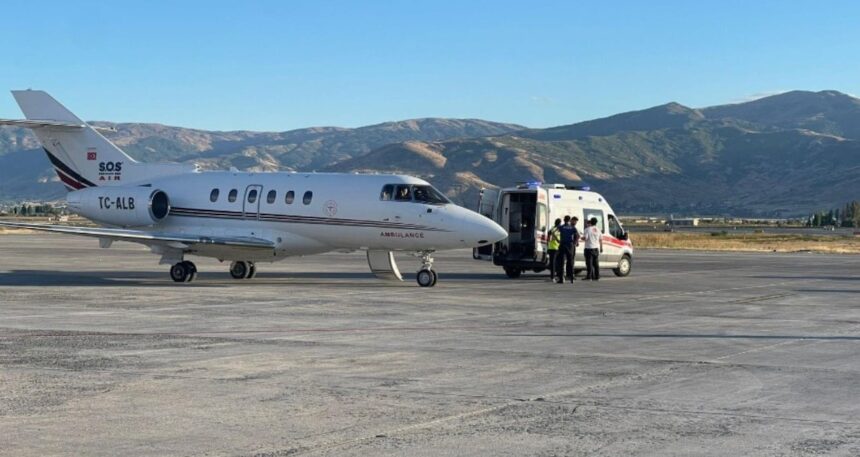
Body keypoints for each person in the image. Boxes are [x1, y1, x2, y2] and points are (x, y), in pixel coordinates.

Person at [555, 215, 579, 283]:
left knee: (561, 262)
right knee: (570, 261)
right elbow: (577, 235)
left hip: (562, 244)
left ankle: (561, 278)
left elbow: (554, 232)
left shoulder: (561, 227)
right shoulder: (572, 227)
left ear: (564, 220)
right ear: (569, 220)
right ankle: (571, 278)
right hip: (570, 245)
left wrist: (557, 240)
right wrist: (575, 242)